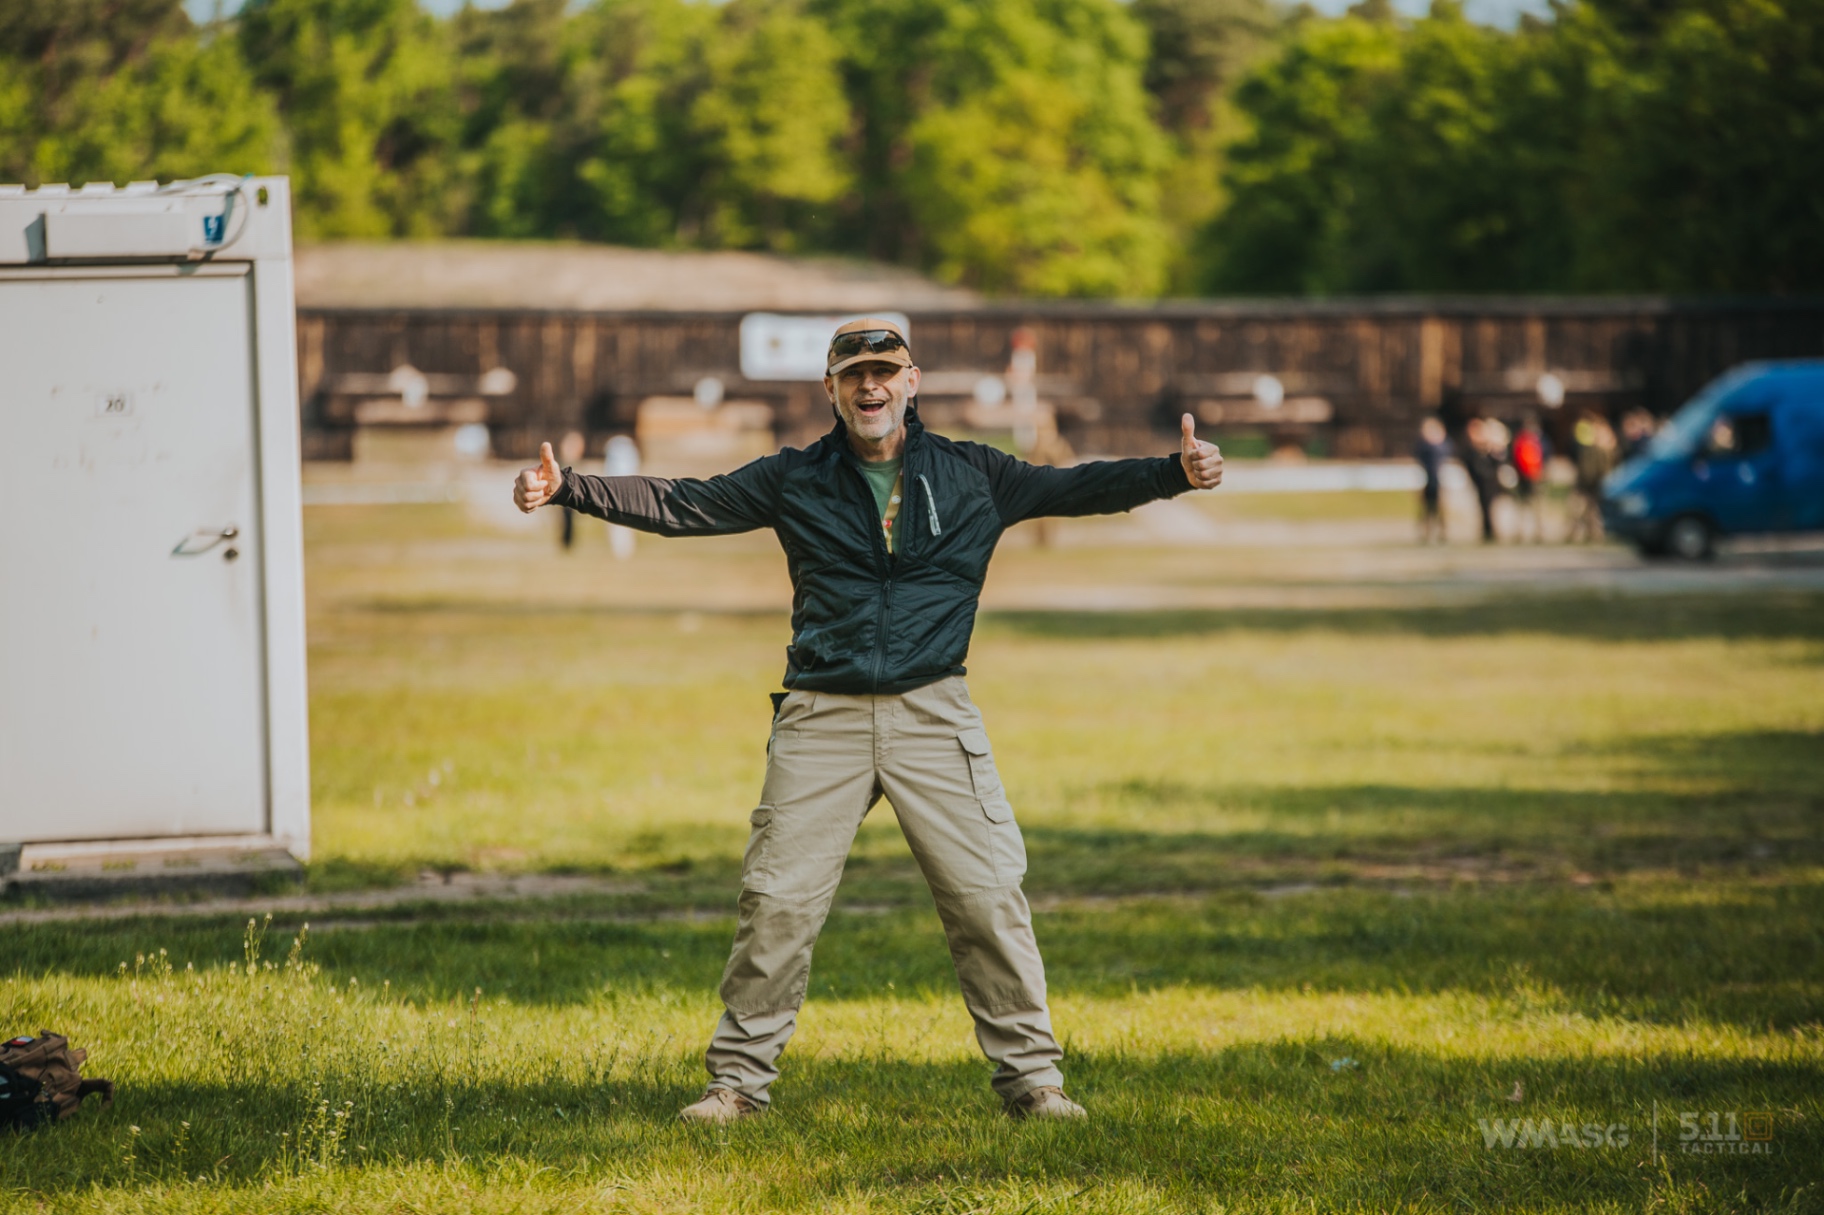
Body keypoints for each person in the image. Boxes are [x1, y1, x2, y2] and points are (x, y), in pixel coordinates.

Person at [512, 318, 1224, 1123]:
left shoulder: (973, 475)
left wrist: (1176, 472)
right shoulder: (795, 478)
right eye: (854, 375)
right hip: (822, 712)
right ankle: (738, 1085)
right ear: (832, 389)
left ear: (912, 381)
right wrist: (569, 486)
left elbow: (1078, 486)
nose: (871, 386)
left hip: (934, 709)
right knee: (777, 899)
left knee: (989, 893)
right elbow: (685, 503)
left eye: (885, 371)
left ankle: (1034, 1082)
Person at [1413, 416, 1452, 544]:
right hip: (1427, 482)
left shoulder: (1444, 447)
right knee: (1426, 510)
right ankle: (1425, 533)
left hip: (1440, 482)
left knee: (1441, 510)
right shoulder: (1422, 447)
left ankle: (1443, 532)